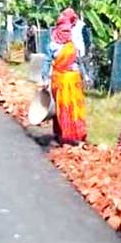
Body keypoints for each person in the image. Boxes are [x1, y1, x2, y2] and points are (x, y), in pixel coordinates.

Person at [41, 8, 88, 145]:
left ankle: (70, 134)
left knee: (68, 107)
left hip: (66, 81)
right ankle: (69, 135)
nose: (66, 34)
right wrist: (44, 79)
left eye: (68, 31)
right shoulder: (63, 46)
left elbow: (78, 61)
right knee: (68, 108)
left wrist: (85, 76)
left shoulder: (63, 46)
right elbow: (47, 62)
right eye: (65, 31)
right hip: (67, 81)